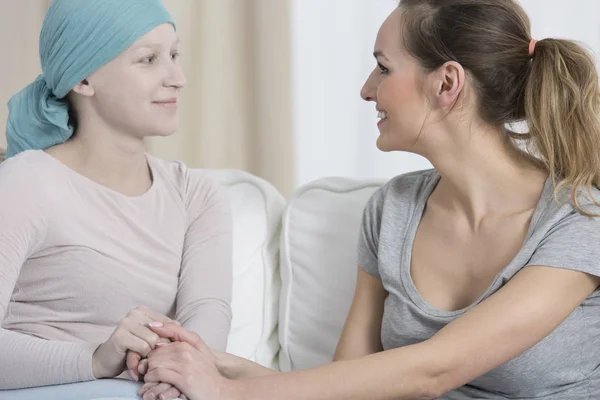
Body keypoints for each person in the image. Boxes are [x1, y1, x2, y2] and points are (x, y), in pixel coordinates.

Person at [135, 0, 600, 399]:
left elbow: (433, 371)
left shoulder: (578, 219)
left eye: (383, 66)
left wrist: (229, 392)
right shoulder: (394, 208)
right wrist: (213, 364)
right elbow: (347, 384)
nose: (366, 89)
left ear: (446, 83)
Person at [0, 1, 232, 399]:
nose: (177, 77)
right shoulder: (25, 184)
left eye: (174, 55)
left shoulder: (197, 196)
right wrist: (95, 357)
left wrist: (183, 372)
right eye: (148, 60)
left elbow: (206, 326)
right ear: (84, 79)